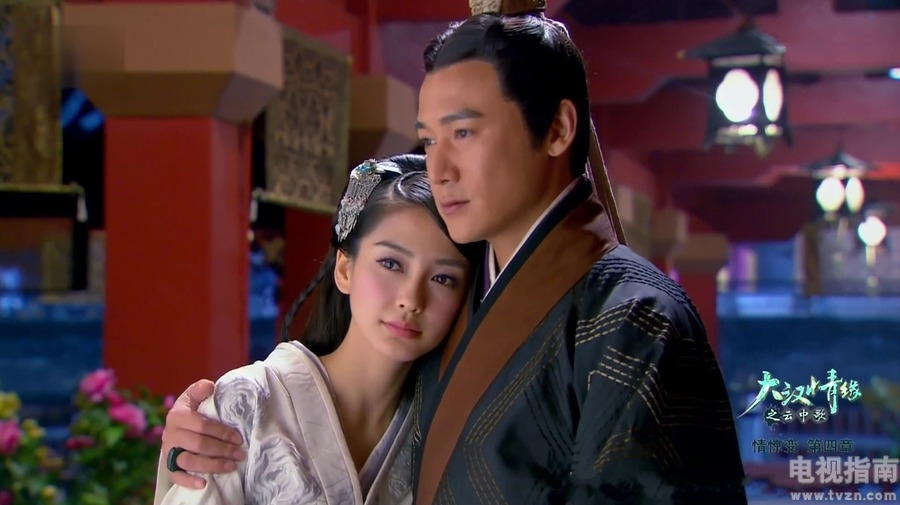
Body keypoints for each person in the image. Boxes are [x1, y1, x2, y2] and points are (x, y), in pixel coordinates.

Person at [161, 8, 750, 504]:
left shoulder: (633, 317)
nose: (439, 169)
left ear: (557, 129)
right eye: (429, 139)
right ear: (345, 266)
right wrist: (208, 428)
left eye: (463, 133)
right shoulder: (468, 308)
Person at [154, 155, 476, 505]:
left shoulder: (449, 433)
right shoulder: (247, 401)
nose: (411, 299)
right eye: (391, 263)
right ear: (345, 269)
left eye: (443, 278)